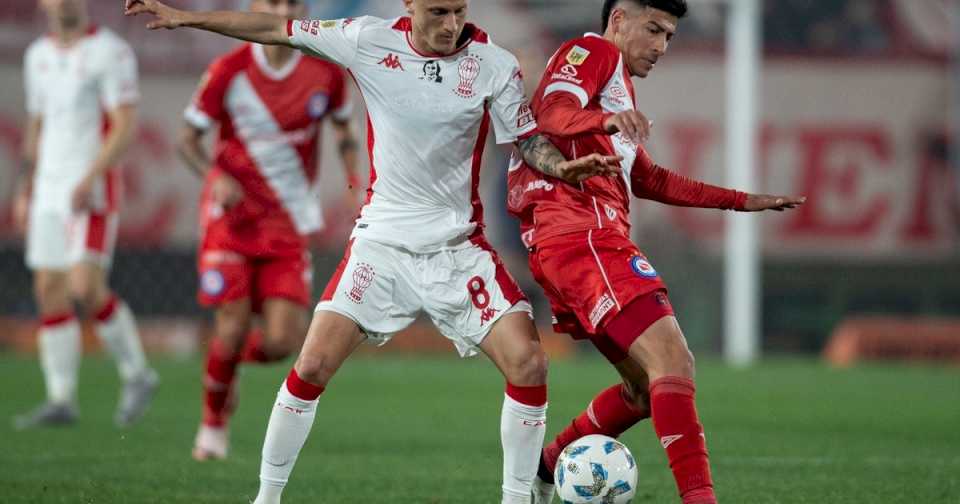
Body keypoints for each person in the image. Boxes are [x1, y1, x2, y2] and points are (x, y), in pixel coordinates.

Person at [125, 0, 620, 502]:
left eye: (458, 11)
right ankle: (266, 499)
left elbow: (528, 140)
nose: (451, 25)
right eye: (438, 12)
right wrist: (188, 16)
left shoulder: (494, 64)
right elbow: (276, 27)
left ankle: (517, 499)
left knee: (529, 363)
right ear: (409, 4)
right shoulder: (367, 40)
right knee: (312, 365)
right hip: (380, 247)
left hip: (456, 248)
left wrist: (560, 169)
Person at [505, 1, 806, 503]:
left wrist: (741, 201)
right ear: (619, 17)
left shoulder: (615, 85)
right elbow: (552, 113)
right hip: (583, 235)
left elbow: (648, 178)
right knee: (673, 360)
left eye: (669, 36)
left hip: (574, 245)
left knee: (645, 390)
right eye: (654, 30)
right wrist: (605, 118)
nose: (662, 46)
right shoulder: (592, 51)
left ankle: (548, 464)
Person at [176, 0, 360, 461]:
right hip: (231, 221)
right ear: (256, 6)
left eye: (291, 2)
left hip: (288, 222)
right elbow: (187, 140)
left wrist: (356, 184)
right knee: (232, 324)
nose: (281, 9)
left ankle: (224, 365)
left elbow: (344, 131)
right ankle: (213, 426)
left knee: (281, 342)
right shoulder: (229, 68)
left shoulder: (325, 73)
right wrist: (213, 175)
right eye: (273, 1)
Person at [11, 0, 158, 430]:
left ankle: (137, 374)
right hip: (47, 189)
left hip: (89, 187)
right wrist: (25, 185)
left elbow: (125, 123)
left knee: (85, 286)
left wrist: (91, 175)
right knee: (49, 289)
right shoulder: (36, 55)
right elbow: (37, 122)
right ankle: (60, 399)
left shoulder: (109, 52)